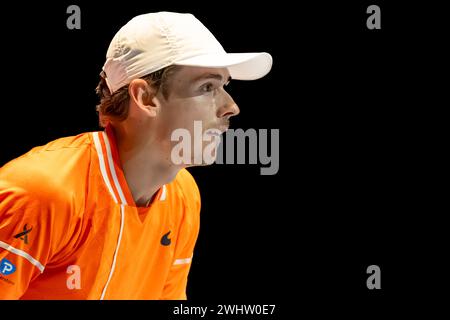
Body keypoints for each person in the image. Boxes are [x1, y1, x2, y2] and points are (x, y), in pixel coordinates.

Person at [0, 11, 272, 299]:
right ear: (145, 98)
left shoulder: (183, 197)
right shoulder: (42, 192)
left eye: (224, 87)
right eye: (207, 87)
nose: (231, 106)